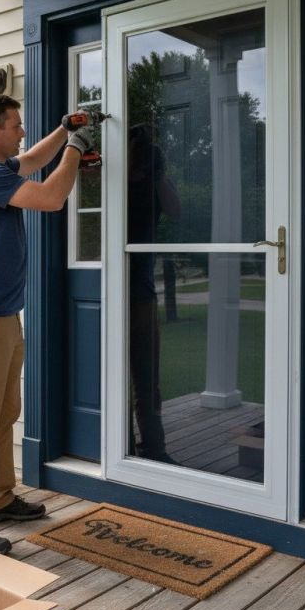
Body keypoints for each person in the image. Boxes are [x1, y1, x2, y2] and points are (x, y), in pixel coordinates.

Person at [0, 93, 94, 557]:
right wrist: (77, 148)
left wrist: (64, 131)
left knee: (3, 413)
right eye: (16, 125)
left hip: (1, 314)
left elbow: (32, 161)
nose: (22, 132)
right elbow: (50, 198)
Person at [126, 123, 180, 464]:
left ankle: (154, 449)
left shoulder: (154, 184)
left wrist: (157, 174)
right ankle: (121, 447)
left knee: (147, 377)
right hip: (110, 291)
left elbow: (175, 210)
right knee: (112, 374)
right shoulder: (111, 182)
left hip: (142, 293)